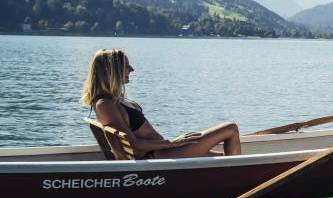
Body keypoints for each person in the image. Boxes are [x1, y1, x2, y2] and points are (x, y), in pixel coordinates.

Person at [81, 48, 241, 159]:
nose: (132, 69)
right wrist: (173, 142)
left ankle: (234, 176)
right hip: (159, 155)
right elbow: (133, 144)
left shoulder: (112, 100)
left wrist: (173, 144)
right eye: (126, 66)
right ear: (112, 71)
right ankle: (237, 183)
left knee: (225, 157)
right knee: (230, 128)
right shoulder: (105, 104)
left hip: (164, 150)